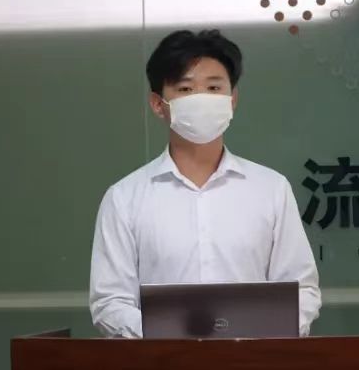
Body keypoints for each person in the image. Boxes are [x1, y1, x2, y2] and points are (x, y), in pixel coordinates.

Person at [89, 29, 321, 338]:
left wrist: (258, 334)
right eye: (185, 89)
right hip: (161, 363)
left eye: (214, 87)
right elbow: (110, 301)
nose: (201, 99)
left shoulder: (271, 189)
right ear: (158, 104)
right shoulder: (124, 198)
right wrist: (171, 334)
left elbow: (301, 290)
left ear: (232, 99)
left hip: (254, 361)